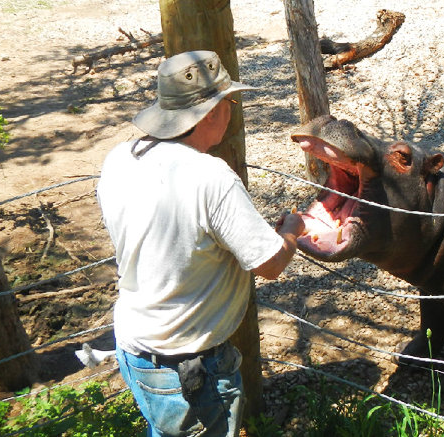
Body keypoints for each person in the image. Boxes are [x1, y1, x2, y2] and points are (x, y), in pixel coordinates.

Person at [96, 50, 304, 437]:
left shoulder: (120, 157)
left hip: (135, 345)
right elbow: (270, 265)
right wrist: (291, 231)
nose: (232, 111)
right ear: (211, 113)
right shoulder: (210, 176)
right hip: (188, 363)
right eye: (229, 102)